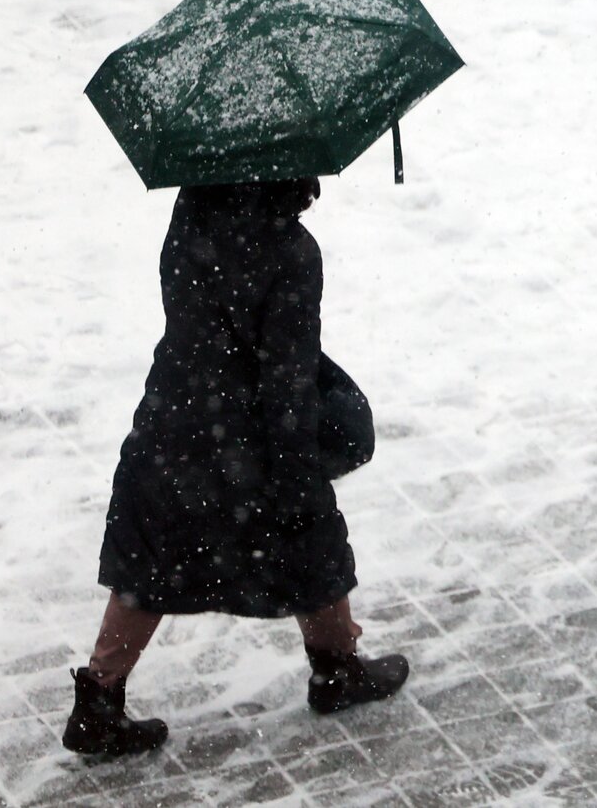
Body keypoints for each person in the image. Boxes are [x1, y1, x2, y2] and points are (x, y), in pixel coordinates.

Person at [62, 177, 407, 758]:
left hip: (174, 415)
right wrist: (299, 477)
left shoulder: (191, 215)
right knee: (311, 538)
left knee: (150, 561)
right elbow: (288, 380)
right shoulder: (292, 253)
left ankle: (98, 699)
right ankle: (337, 667)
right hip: (247, 435)